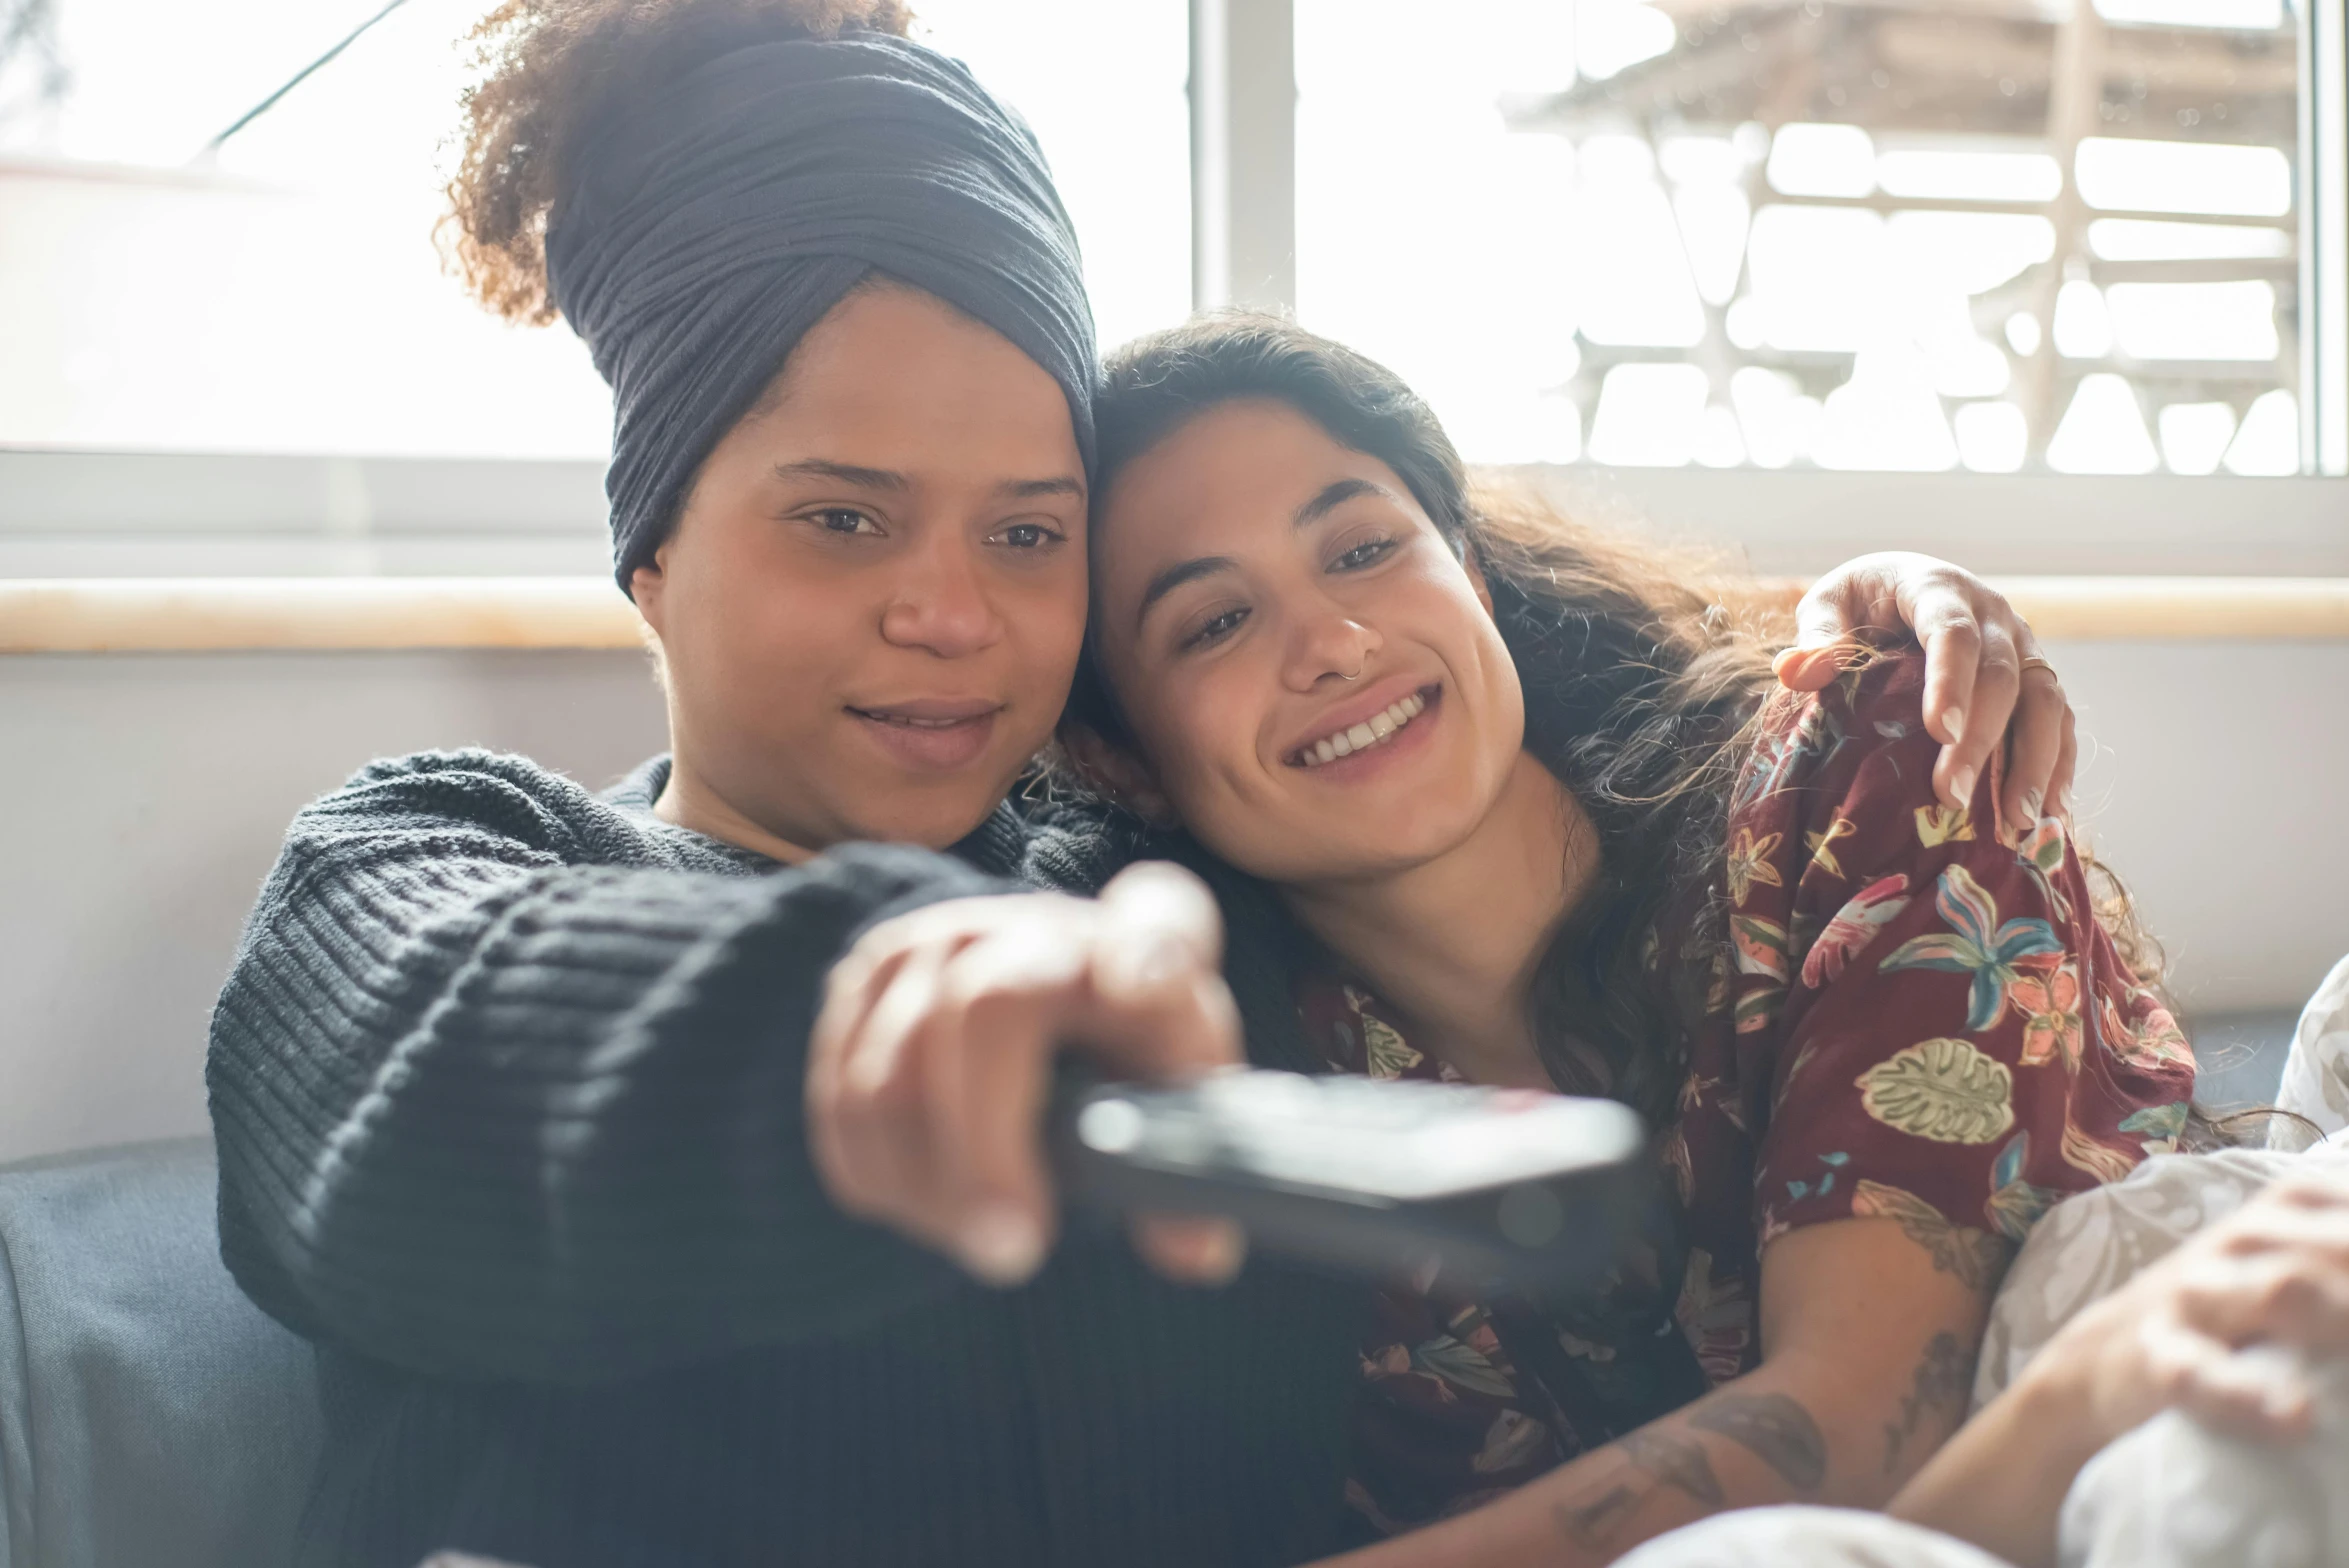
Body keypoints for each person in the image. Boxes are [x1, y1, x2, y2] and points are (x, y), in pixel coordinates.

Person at [207, 3, 2079, 1563]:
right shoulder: (429, 857)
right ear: (651, 557)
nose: (950, 612)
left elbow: (1461, 706)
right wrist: (870, 1000)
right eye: (841, 517)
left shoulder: (1160, 868)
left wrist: (1847, 631)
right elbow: (442, 1059)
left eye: (1029, 532)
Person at [1044, 312, 2197, 1565]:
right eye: (1213, 621)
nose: (1333, 643)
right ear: (1120, 759)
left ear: (1471, 574)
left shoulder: (1865, 771)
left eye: (1366, 548)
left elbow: (1863, 1430)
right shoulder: (1260, 1092)